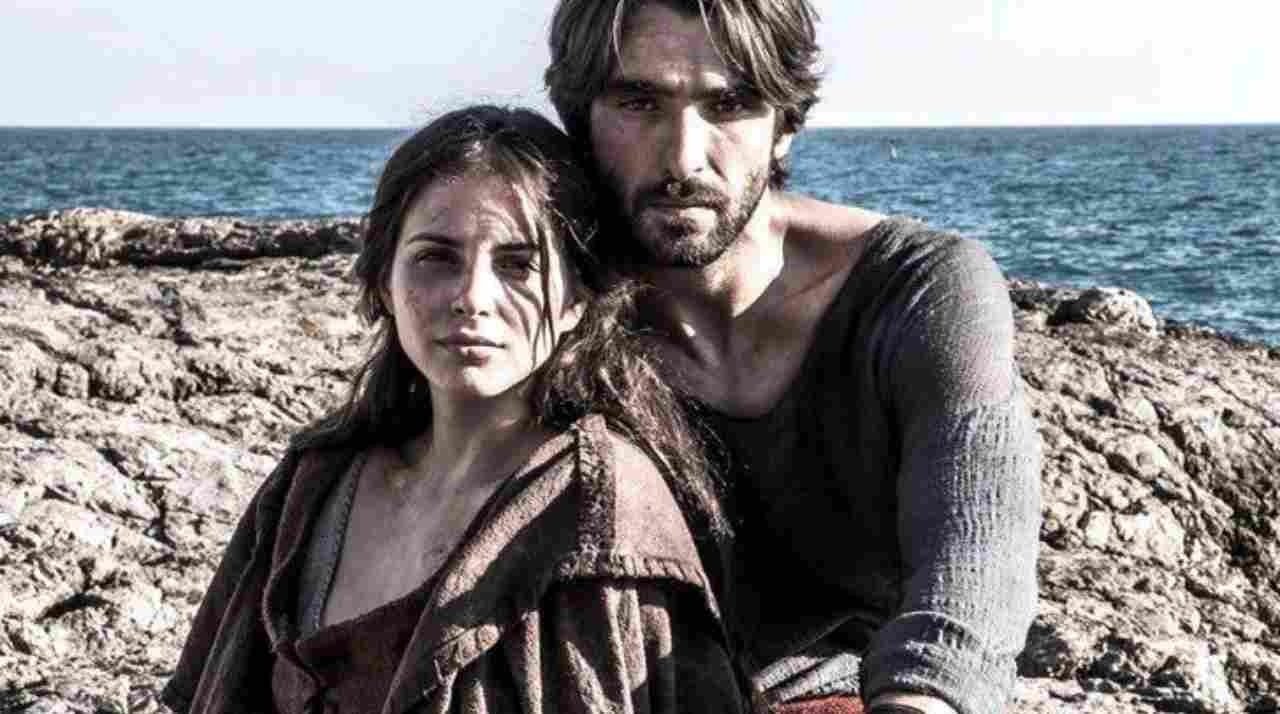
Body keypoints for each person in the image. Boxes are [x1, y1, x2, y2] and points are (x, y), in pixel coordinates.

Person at [161, 106, 747, 713]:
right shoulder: (312, 487)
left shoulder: (601, 520)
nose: (472, 298)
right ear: (384, 282)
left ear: (577, 296)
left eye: (519, 265)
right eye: (437, 258)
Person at [545, 2, 1043, 714]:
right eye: (639, 102)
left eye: (730, 104)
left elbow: (973, 557)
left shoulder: (916, 288)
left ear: (785, 124)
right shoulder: (543, 305)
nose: (683, 159)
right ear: (580, 119)